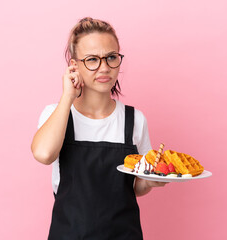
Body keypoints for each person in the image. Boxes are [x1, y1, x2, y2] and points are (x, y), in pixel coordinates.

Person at [31, 17, 167, 240]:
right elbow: (44, 154)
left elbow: (137, 187)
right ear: (74, 66)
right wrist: (68, 96)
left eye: (111, 57)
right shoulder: (57, 115)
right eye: (92, 59)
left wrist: (152, 180)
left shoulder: (135, 120)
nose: (104, 68)